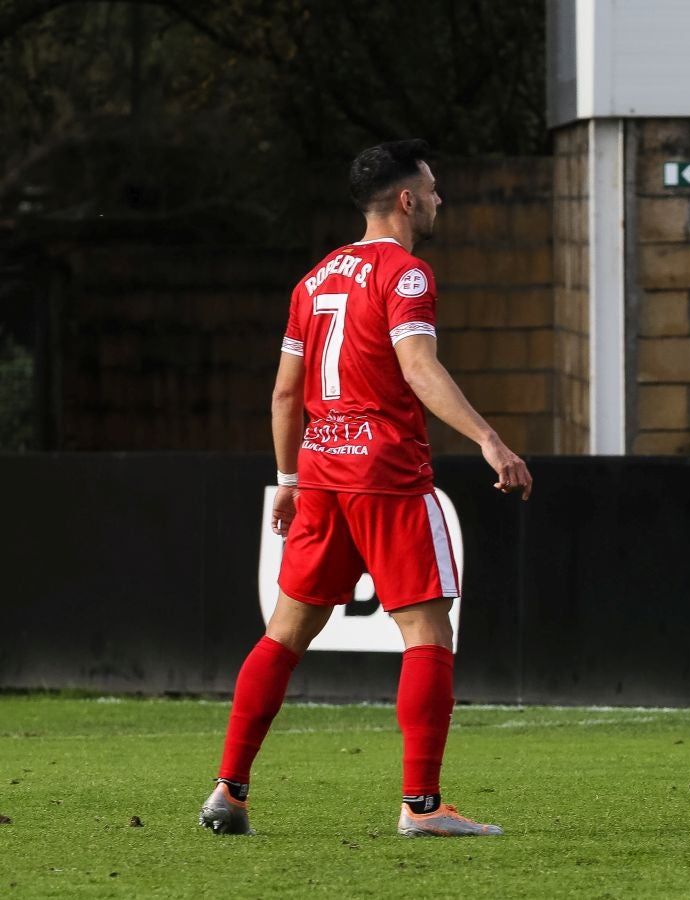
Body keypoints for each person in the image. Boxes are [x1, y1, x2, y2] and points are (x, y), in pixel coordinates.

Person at [198, 139, 532, 838]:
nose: (440, 200)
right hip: (386, 475)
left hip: (320, 471)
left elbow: (286, 391)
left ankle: (229, 791)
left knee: (284, 634)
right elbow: (418, 367)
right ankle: (422, 806)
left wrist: (288, 479)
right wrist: (487, 437)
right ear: (407, 199)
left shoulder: (314, 278)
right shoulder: (406, 273)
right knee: (428, 632)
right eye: (434, 190)